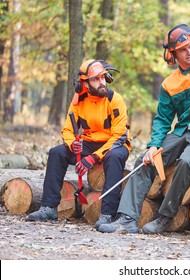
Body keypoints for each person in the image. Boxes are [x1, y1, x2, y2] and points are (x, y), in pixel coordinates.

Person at [98, 24, 190, 234]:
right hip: (181, 131)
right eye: (183, 49)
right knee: (145, 160)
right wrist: (154, 144)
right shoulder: (169, 84)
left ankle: (165, 216)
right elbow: (163, 119)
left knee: (186, 161)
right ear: (173, 54)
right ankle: (127, 218)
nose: (189, 52)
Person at [27, 59, 131, 230]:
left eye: (104, 78)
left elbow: (119, 135)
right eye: (96, 79)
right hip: (89, 143)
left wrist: (93, 158)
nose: (102, 82)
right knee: (56, 153)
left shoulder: (115, 100)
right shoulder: (78, 102)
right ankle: (49, 208)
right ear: (85, 83)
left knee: (113, 157)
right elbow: (67, 130)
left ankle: (107, 214)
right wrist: (71, 144)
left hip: (115, 144)